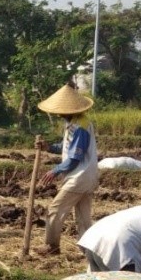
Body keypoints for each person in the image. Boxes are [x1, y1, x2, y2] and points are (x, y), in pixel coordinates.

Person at [34, 82, 99, 255]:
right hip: (87, 176)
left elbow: (74, 158)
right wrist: (48, 147)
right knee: (83, 218)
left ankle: (51, 246)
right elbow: (66, 146)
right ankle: (90, 251)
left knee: (54, 210)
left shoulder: (80, 127)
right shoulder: (75, 123)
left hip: (79, 177)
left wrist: (55, 170)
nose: (59, 114)